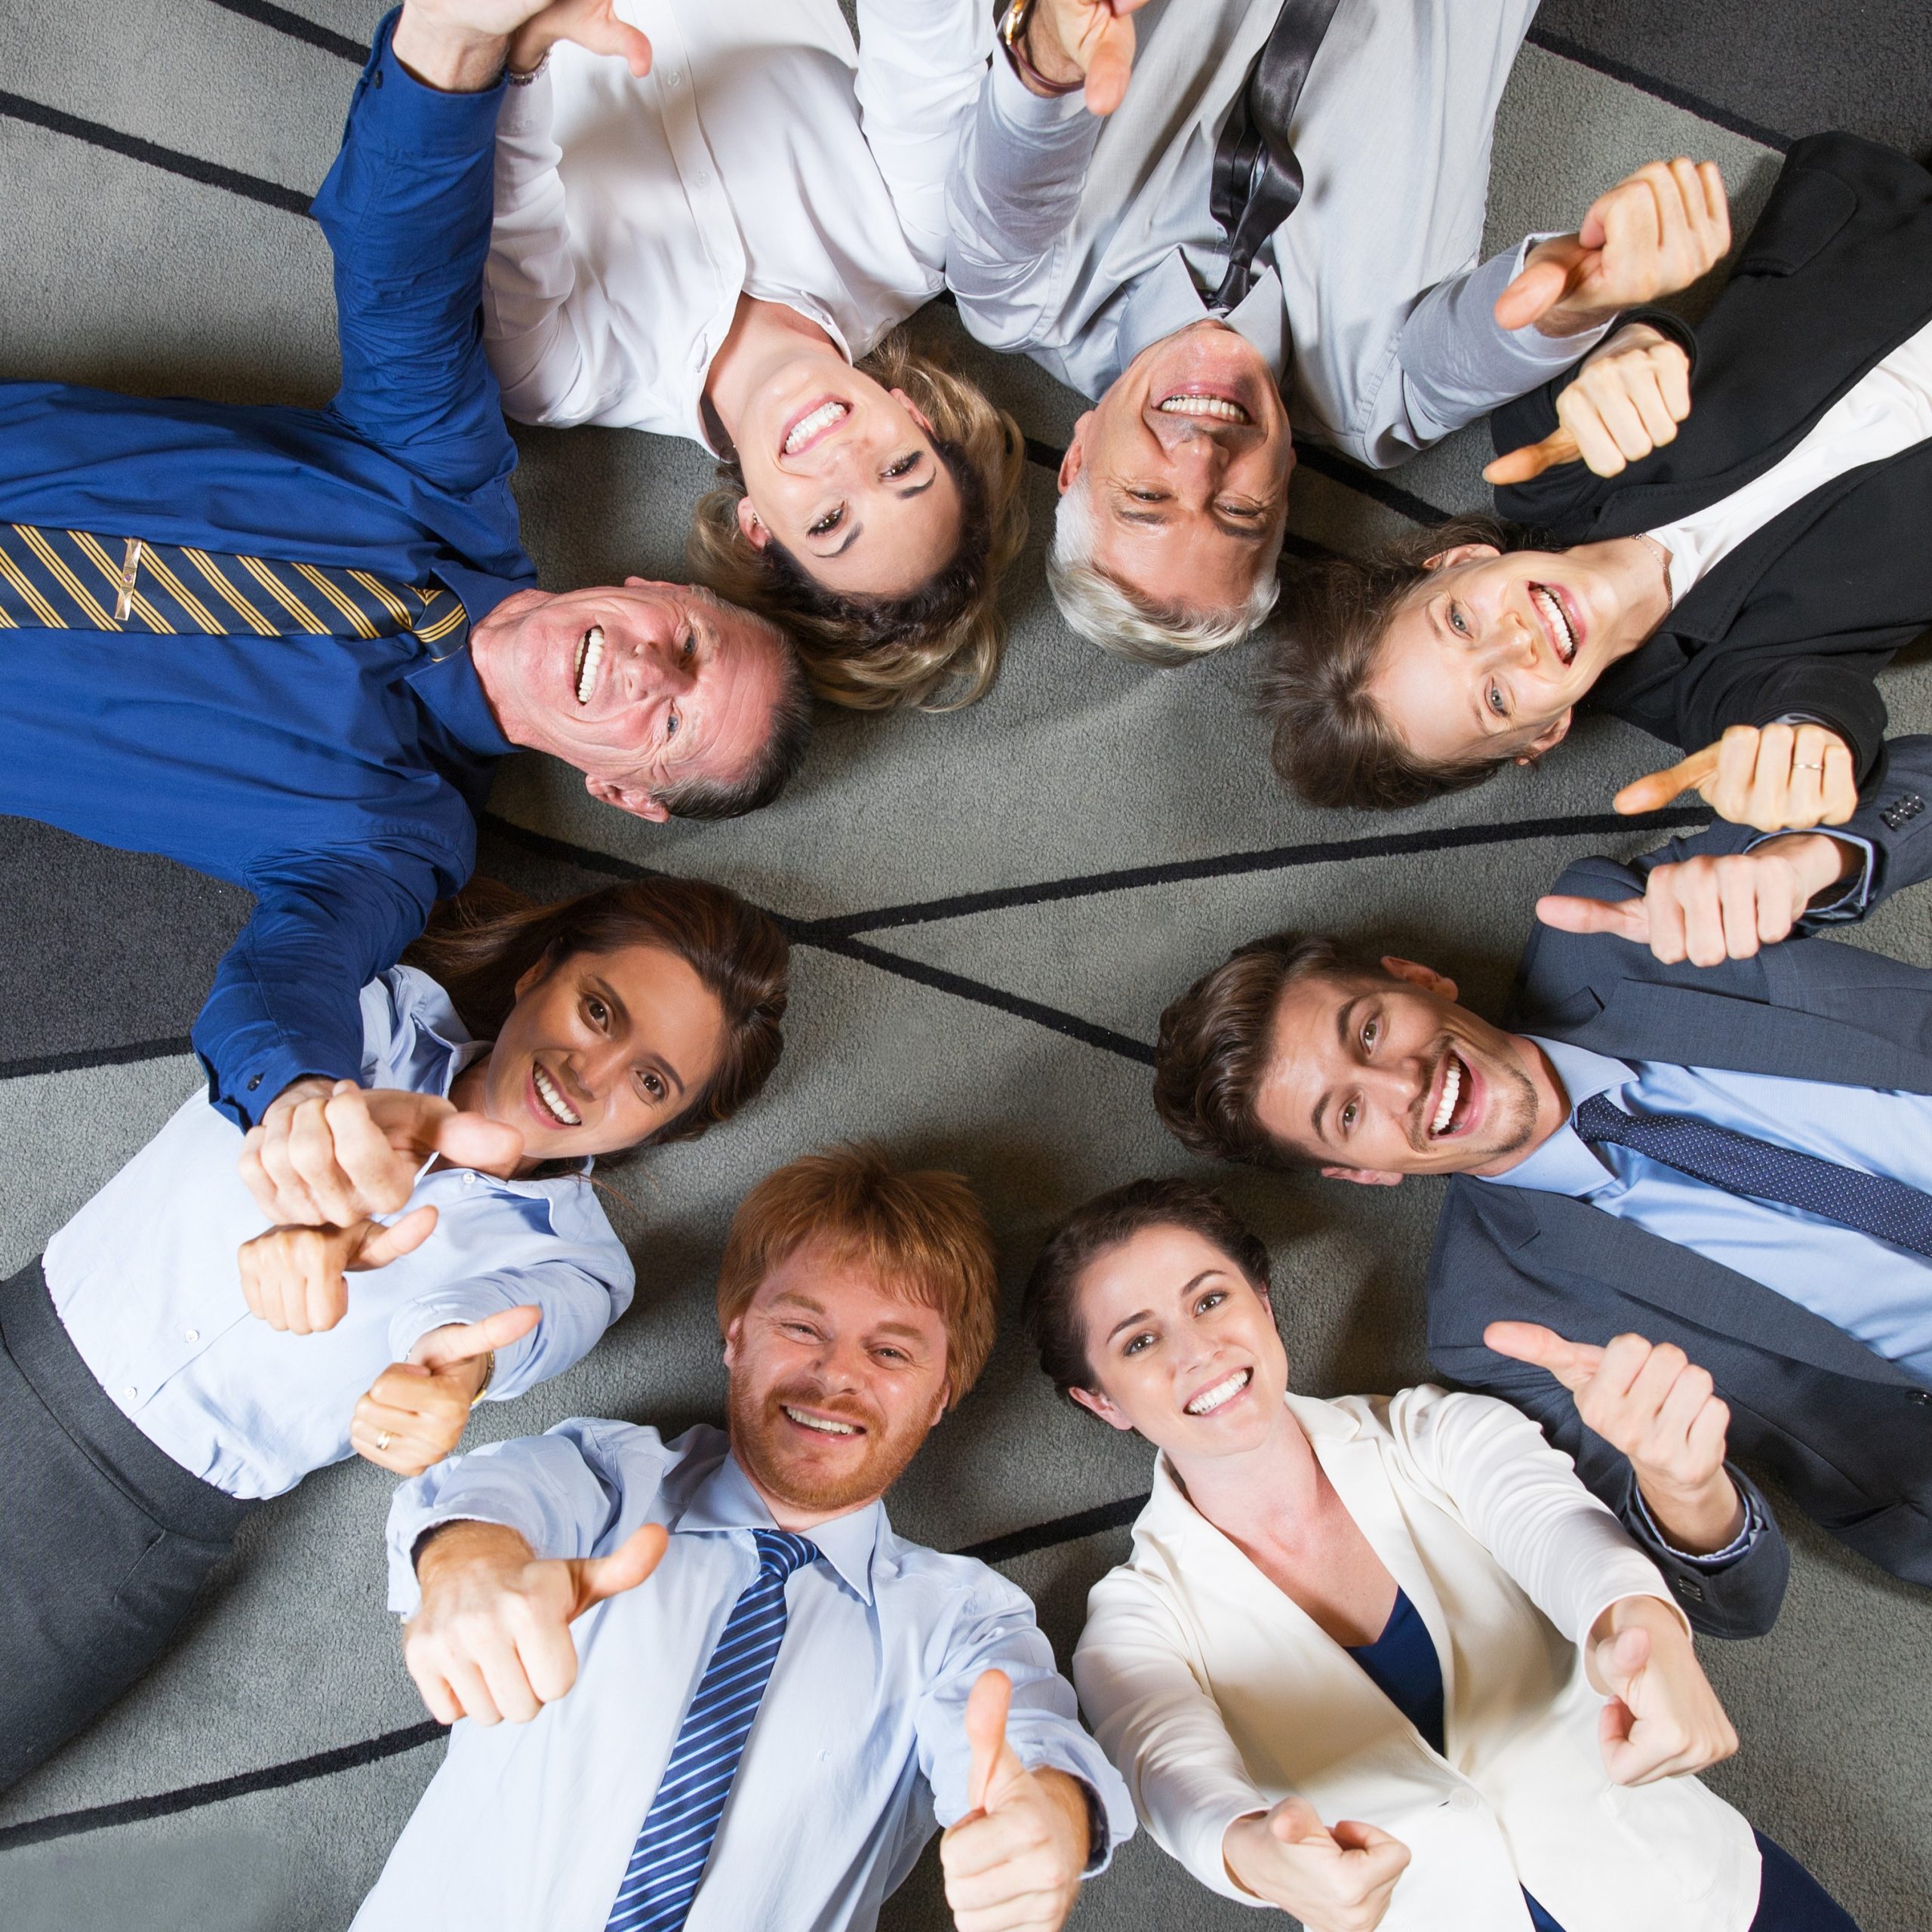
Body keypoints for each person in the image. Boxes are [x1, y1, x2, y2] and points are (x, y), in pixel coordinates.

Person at [0, 0, 811, 1159]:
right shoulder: (437, 478)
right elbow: (401, 270)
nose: (637, 665)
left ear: (621, 793)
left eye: (667, 719)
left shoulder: (390, 841)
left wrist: (301, 1103)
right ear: (651, 588)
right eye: (683, 640)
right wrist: (453, 47)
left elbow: (286, 984)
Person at [0, 873, 789, 1792]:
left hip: (121, 1544)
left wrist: (447, 1374)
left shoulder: (581, 1266)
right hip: (23, 1337)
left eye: (651, 1081)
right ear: (541, 972)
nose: (591, 1073)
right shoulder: (374, 1014)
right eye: (600, 1010)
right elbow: (263, 1008)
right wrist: (308, 1135)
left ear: (672, 1122)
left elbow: (488, 1338)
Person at [1150, 737, 1932, 1625]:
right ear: (1360, 1172)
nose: (1405, 1085)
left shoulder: (1606, 928)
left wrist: (1808, 862)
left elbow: (1915, 782)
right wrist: (1683, 1488)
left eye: (1367, 1032)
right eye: (1347, 1112)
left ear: (1416, 979)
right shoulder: (1498, 1325)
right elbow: (1731, 1602)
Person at [1026, 1177, 1861, 1932]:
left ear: (1266, 1304)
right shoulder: (1130, 1626)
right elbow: (1175, 1778)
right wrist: (1253, 1852)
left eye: (1210, 1299)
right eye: (1138, 1342)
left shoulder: (1439, 1431)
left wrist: (1644, 1631)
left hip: (1701, 1897)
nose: (1195, 1349)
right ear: (1102, 1401)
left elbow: (1561, 1535)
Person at [352, 1143, 1134, 1931]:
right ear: (736, 1336)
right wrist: (469, 1567)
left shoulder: (962, 1621)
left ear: (941, 1396)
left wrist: (1050, 1819)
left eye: (891, 1350)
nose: (836, 1375)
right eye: (801, 1325)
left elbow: (1025, 1738)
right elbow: (489, 1501)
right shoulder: (615, 1479)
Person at [944, 0, 1731, 662]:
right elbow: (1492, 339)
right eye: (1237, 513)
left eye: (1147, 497)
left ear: (1075, 456)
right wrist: (1586, 286)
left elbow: (1030, 129)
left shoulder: (1014, 291)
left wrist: (1051, 46)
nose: (1201, 459)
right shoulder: (1375, 405)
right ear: (1284, 487)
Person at [1263, 133, 1932, 822]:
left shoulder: (1545, 459)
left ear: (1458, 560)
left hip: (1901, 244)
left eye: (1459, 621)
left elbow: (1582, 332)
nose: (1514, 639)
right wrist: (1803, 753)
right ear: (1541, 735)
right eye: (1496, 699)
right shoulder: (1716, 706)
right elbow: (1817, 720)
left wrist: (1629, 345)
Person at [479, 0, 1028, 709]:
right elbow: (925, 32)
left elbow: (492, 151)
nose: (845, 461)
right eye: (900, 467)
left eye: (829, 522)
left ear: (758, 531)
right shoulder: (914, 241)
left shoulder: (559, 375)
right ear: (914, 416)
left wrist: (521, 59)